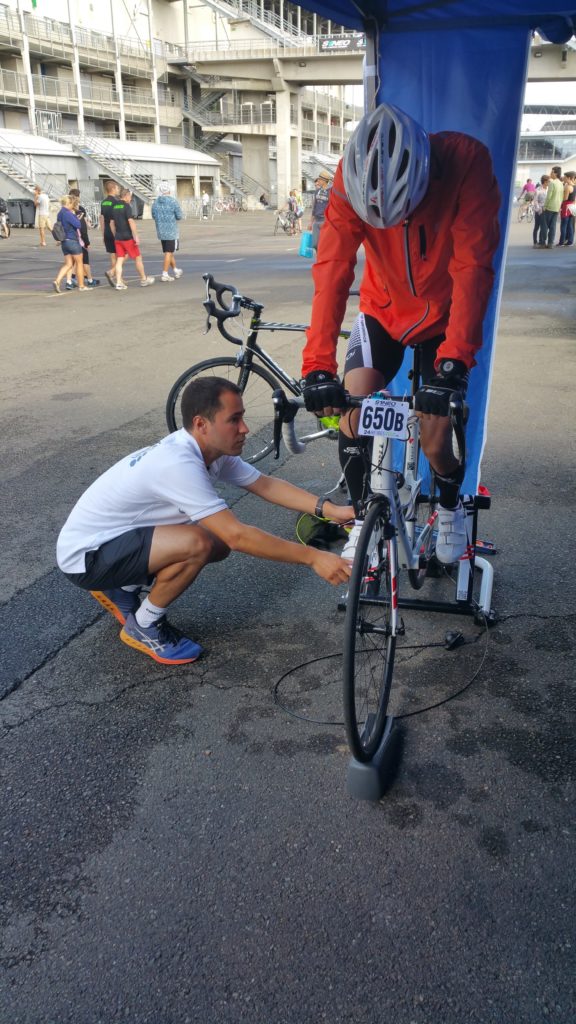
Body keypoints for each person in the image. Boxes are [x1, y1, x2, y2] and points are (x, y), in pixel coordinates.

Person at [301, 102, 501, 566]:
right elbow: (331, 271)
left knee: (434, 440)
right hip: (382, 312)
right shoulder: (349, 178)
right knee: (351, 411)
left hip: (444, 320)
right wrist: (316, 367)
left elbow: (473, 267)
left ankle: (450, 507)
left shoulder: (466, 160)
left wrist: (452, 365)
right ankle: (360, 519)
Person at [56, 377, 353, 665]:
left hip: (111, 541)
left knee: (216, 543)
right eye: (234, 419)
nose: (245, 428)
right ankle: (144, 625)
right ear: (201, 424)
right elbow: (238, 536)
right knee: (199, 542)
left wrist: (331, 510)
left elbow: (265, 485)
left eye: (243, 417)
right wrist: (314, 557)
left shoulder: (210, 450)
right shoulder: (178, 464)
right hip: (87, 558)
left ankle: (124, 588)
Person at [110, 188, 155, 290]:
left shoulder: (114, 206)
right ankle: (144, 279)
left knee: (120, 260)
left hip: (118, 237)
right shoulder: (126, 206)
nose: (130, 199)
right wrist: (135, 236)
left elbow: (111, 223)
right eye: (130, 196)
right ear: (125, 196)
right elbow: (131, 222)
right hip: (127, 237)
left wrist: (115, 235)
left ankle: (118, 282)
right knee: (138, 258)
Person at [52, 195, 87, 294]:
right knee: (79, 262)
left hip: (64, 241)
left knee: (68, 264)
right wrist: (77, 217)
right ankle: (81, 285)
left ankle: (57, 281)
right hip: (72, 240)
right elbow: (78, 225)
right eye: (72, 204)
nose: (73, 206)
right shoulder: (68, 213)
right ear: (69, 203)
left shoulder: (60, 213)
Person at [67, 189, 100, 289]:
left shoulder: (65, 211)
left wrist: (89, 224)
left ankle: (71, 279)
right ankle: (88, 280)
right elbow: (83, 228)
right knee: (84, 261)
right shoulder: (79, 211)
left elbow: (85, 224)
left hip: (69, 240)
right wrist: (87, 242)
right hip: (78, 240)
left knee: (73, 262)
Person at [151, 182, 184, 282]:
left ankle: (175, 270)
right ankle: (165, 273)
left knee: (168, 252)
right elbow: (179, 216)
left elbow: (153, 216)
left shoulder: (155, 202)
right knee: (169, 252)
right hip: (171, 231)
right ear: (169, 190)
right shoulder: (173, 202)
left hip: (161, 231)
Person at [99, 179, 120, 286]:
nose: (118, 190)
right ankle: (116, 276)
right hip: (113, 231)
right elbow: (114, 220)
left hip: (106, 231)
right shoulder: (115, 202)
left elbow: (101, 218)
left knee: (112, 254)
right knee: (120, 255)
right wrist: (116, 234)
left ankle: (115, 277)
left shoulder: (104, 202)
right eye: (117, 188)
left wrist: (103, 234)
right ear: (112, 189)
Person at [308, 171, 332, 254]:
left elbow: (332, 207)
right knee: (315, 244)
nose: (318, 181)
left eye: (320, 180)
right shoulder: (317, 191)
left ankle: (323, 261)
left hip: (326, 221)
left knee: (325, 244)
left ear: (325, 181)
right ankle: (320, 258)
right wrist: (311, 222)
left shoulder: (331, 191)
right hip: (316, 221)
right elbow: (314, 208)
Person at [541, 165, 564, 248]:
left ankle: (542, 243)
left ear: (556, 173)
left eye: (552, 172)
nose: (550, 173)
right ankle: (550, 243)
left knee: (545, 226)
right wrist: (559, 207)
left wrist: (545, 206)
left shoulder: (552, 183)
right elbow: (562, 196)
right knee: (553, 226)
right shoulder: (561, 184)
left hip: (549, 206)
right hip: (557, 207)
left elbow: (549, 196)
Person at [558, 170, 575, 246]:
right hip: (572, 206)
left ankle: (561, 242)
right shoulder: (574, 186)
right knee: (570, 225)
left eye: (565, 178)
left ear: (569, 178)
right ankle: (570, 241)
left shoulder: (568, 187)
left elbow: (565, 198)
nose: (564, 179)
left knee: (563, 225)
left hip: (566, 206)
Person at [532, 175, 549, 248]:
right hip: (539, 210)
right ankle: (535, 242)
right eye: (549, 181)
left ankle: (541, 241)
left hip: (546, 210)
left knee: (544, 227)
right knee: (537, 226)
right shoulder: (538, 190)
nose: (549, 183)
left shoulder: (549, 189)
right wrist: (539, 210)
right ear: (545, 182)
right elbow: (535, 201)